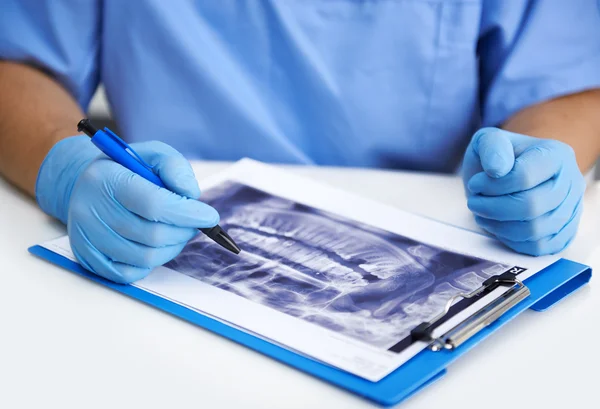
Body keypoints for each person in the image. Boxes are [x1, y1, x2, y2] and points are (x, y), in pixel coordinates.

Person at [1, 1, 599, 284]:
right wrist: (66, 166)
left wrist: (535, 163)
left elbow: (568, 78)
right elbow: (18, 61)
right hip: (161, 240)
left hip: (440, 233)